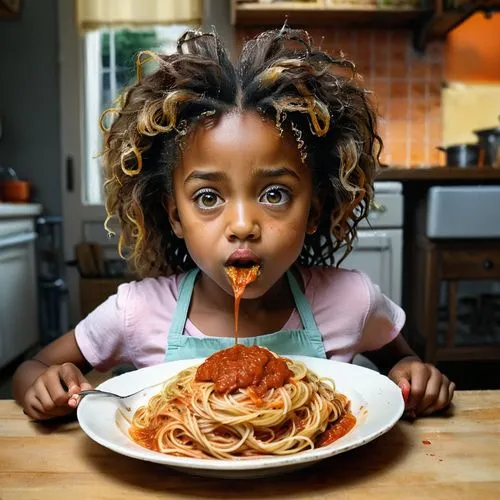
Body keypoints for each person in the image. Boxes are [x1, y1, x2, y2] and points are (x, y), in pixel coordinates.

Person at [13, 27, 454, 421]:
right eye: (208, 197)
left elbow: (405, 369)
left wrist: (412, 375)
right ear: (174, 216)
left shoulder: (351, 300)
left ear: (314, 210)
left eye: (274, 194)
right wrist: (45, 386)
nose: (242, 225)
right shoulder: (136, 312)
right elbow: (31, 369)